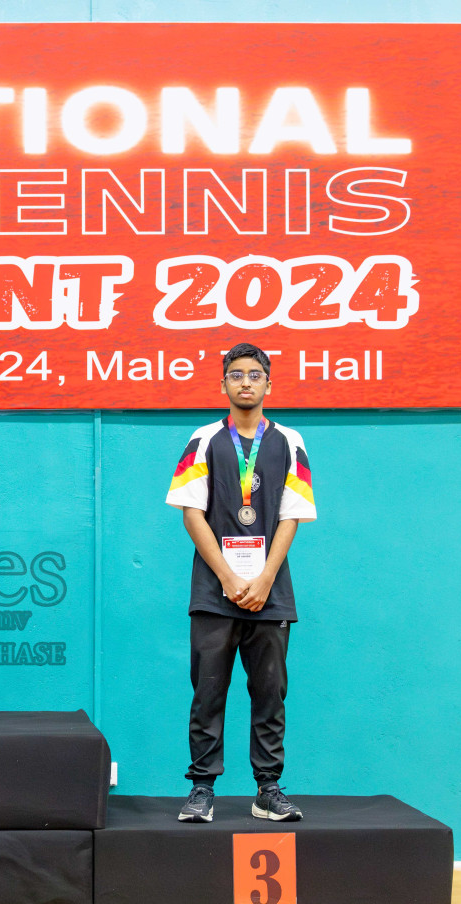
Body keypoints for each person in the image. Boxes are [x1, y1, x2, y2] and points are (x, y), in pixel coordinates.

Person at [165, 342, 316, 824]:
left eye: (255, 375)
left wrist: (265, 576)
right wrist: (229, 577)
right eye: (236, 374)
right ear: (223, 384)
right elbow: (191, 513)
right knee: (208, 691)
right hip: (215, 592)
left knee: (270, 693)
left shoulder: (291, 441)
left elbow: (292, 515)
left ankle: (267, 789)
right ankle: (202, 789)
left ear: (269, 385)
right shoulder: (203, 439)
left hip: (271, 593)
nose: (245, 382)